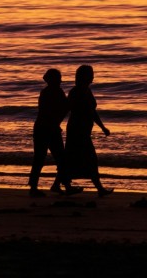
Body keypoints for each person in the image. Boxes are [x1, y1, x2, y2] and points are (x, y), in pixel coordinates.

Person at [28, 68, 80, 196]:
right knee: (52, 158)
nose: (60, 81)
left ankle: (61, 185)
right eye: (58, 78)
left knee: (51, 158)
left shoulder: (50, 92)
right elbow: (59, 110)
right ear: (52, 80)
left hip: (45, 128)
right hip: (46, 129)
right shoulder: (52, 92)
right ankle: (36, 187)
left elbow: (60, 110)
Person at [65, 64, 113, 197]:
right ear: (84, 77)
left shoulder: (87, 91)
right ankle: (99, 189)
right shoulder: (75, 92)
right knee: (89, 158)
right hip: (77, 130)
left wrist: (102, 127)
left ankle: (60, 184)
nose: (93, 77)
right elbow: (68, 109)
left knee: (72, 157)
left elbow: (92, 112)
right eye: (90, 74)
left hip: (84, 130)